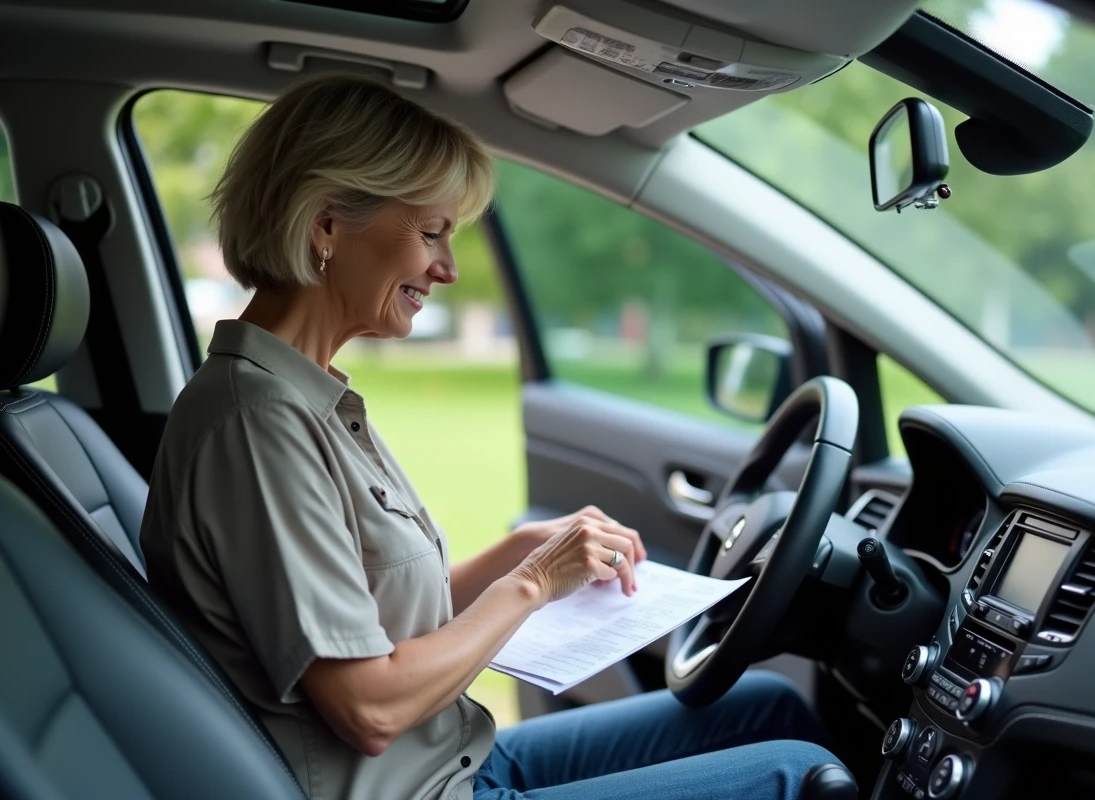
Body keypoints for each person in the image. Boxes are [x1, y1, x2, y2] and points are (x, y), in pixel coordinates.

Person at [140, 72, 842, 800]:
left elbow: (363, 613)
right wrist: (534, 584)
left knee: (769, 708)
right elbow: (369, 706)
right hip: (418, 790)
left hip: (457, 758)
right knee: (798, 778)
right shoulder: (257, 424)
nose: (446, 268)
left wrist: (521, 549)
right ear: (326, 225)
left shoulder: (303, 396)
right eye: (431, 232)